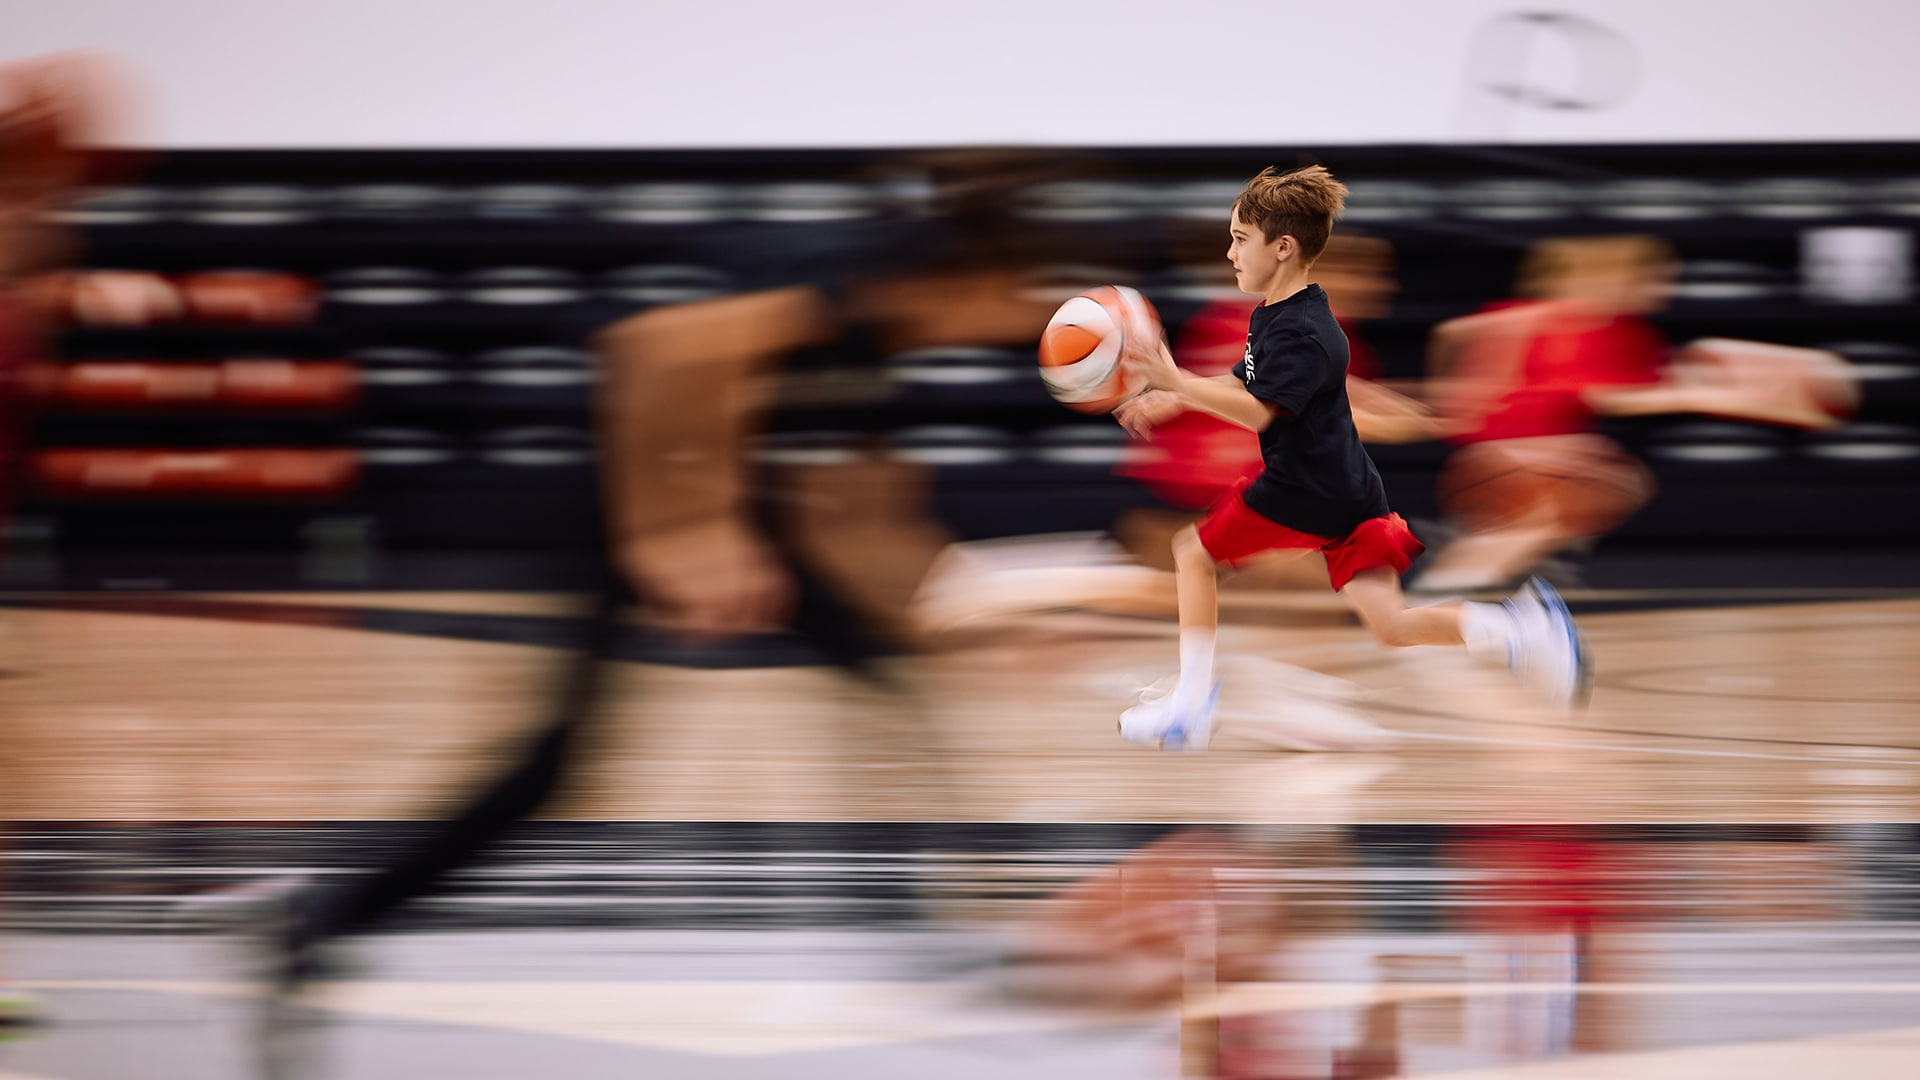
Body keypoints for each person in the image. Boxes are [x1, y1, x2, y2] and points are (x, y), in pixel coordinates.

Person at [1111, 165, 1588, 751]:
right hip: (1344, 489)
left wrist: (1178, 383)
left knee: (1194, 554)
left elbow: (1261, 412)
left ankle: (1190, 705)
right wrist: (1175, 396)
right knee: (1394, 626)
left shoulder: (1303, 332)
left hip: (1305, 488)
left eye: (1239, 239)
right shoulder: (1279, 313)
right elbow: (1247, 381)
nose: (1229, 253)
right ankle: (1522, 630)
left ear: (1282, 247)